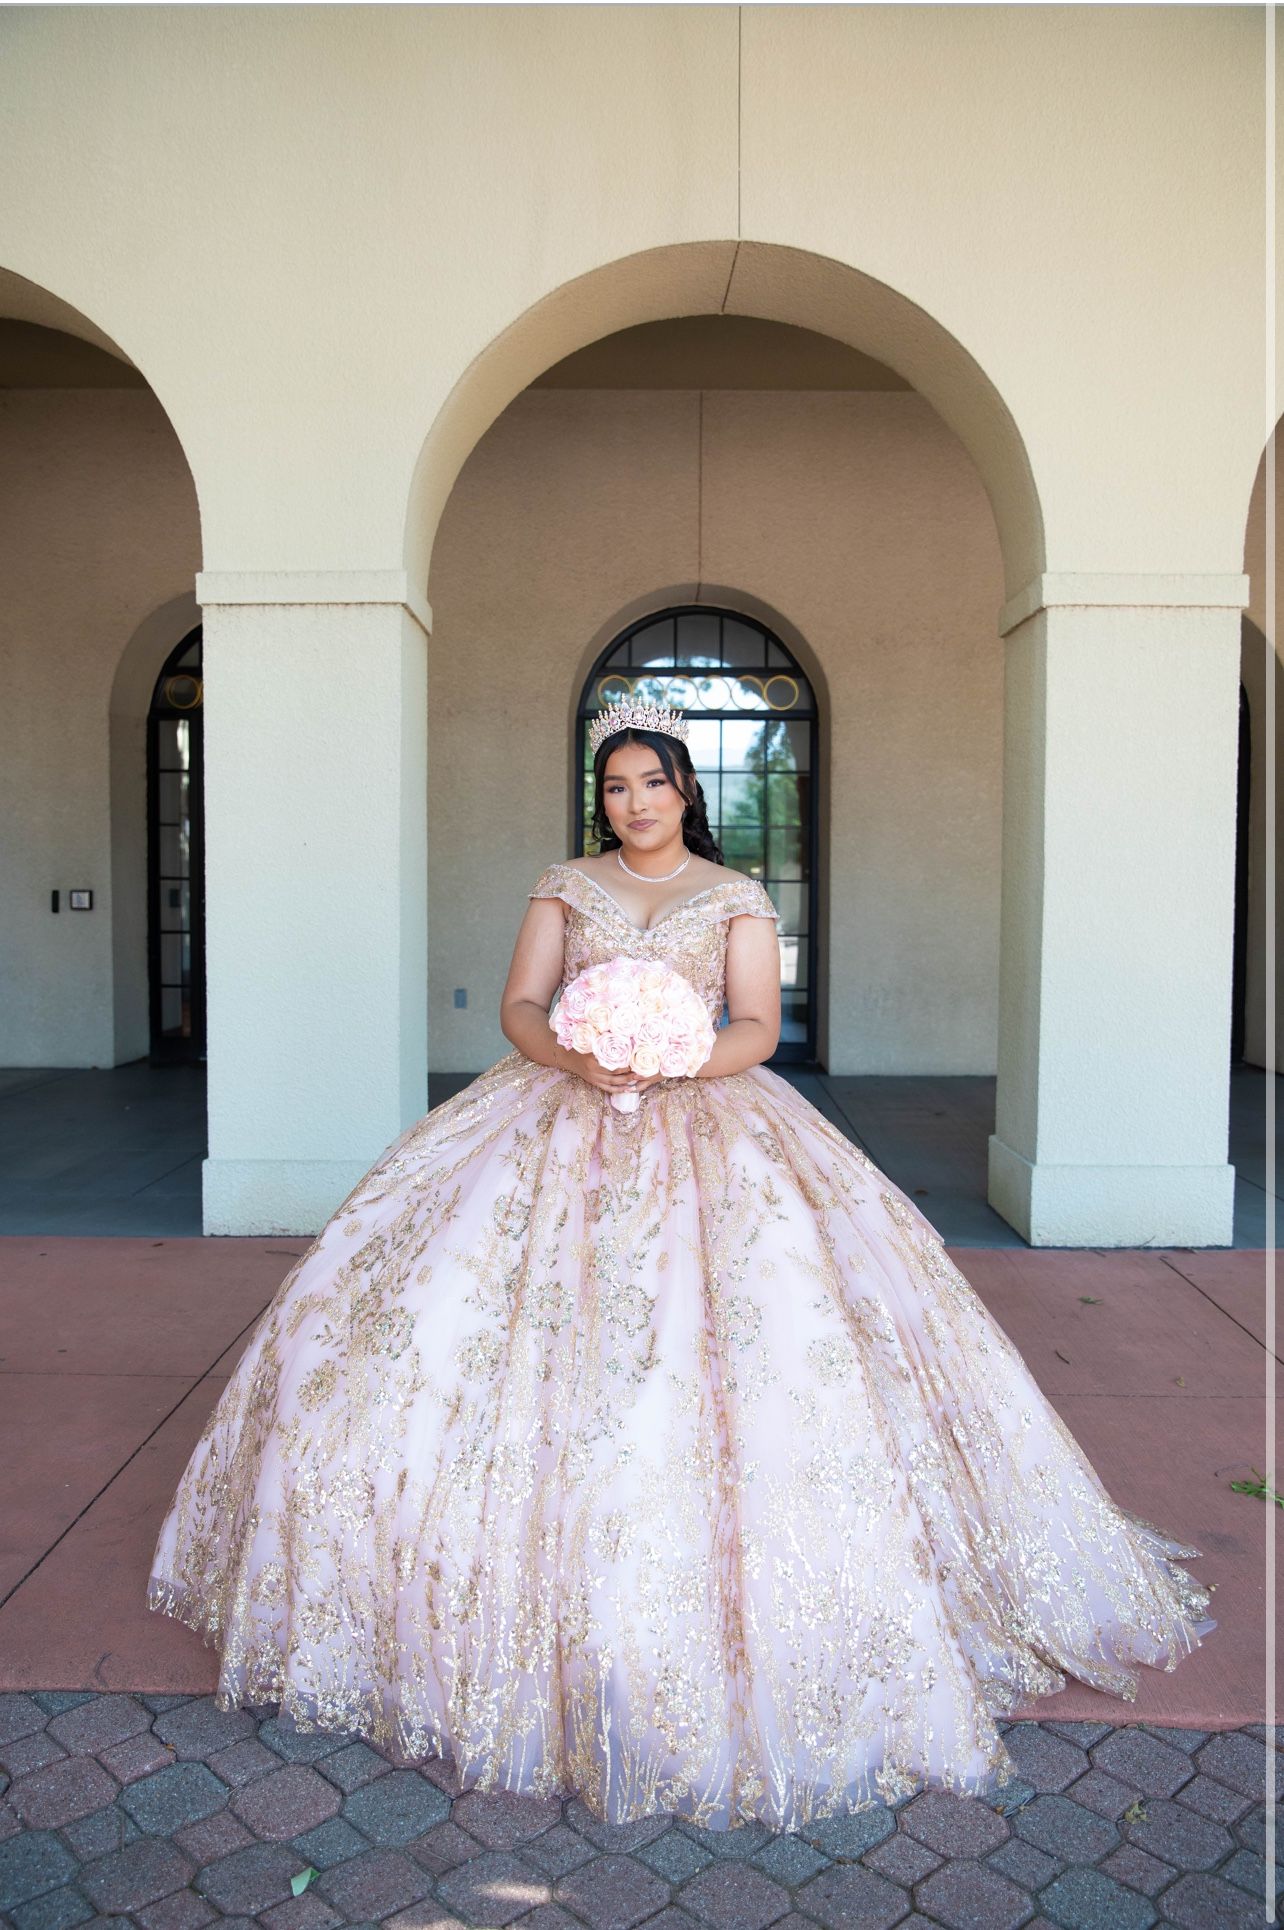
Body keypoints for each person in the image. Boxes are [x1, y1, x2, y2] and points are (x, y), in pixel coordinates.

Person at [147, 697, 1216, 1836]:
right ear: (599, 798)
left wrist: (672, 1061)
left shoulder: (735, 895)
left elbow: (757, 1022)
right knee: (411, 1325)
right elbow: (519, 1005)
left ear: (685, 789)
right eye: (615, 785)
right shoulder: (566, 882)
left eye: (653, 780)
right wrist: (585, 1055)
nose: (634, 801)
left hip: (709, 1112)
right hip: (559, 1107)